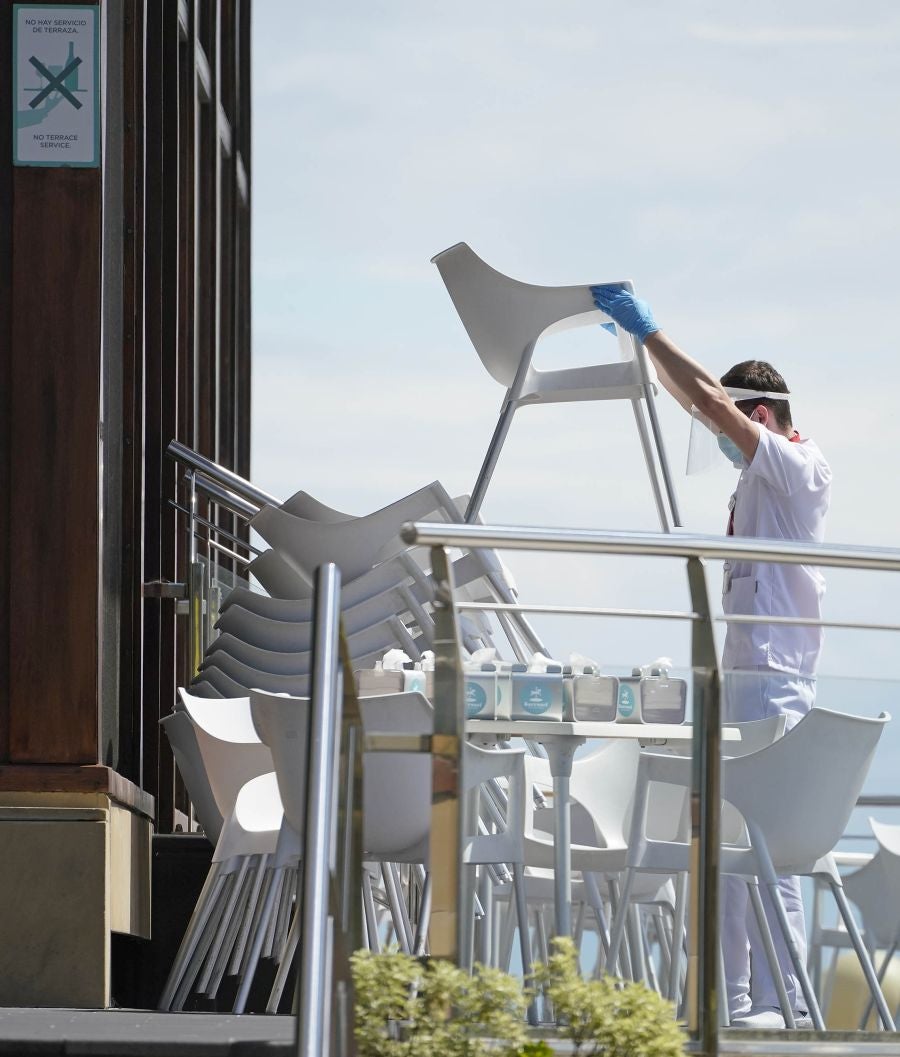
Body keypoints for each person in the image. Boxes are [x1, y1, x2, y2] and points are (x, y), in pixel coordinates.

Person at [590, 284, 832, 1030]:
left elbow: (706, 402)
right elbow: (695, 399)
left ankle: (787, 1005)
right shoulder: (757, 481)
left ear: (760, 416)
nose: (724, 443)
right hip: (745, 688)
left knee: (765, 852)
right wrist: (643, 348)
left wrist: (652, 328)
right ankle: (731, 1004)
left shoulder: (796, 469)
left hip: (773, 691)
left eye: (733, 427)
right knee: (729, 850)